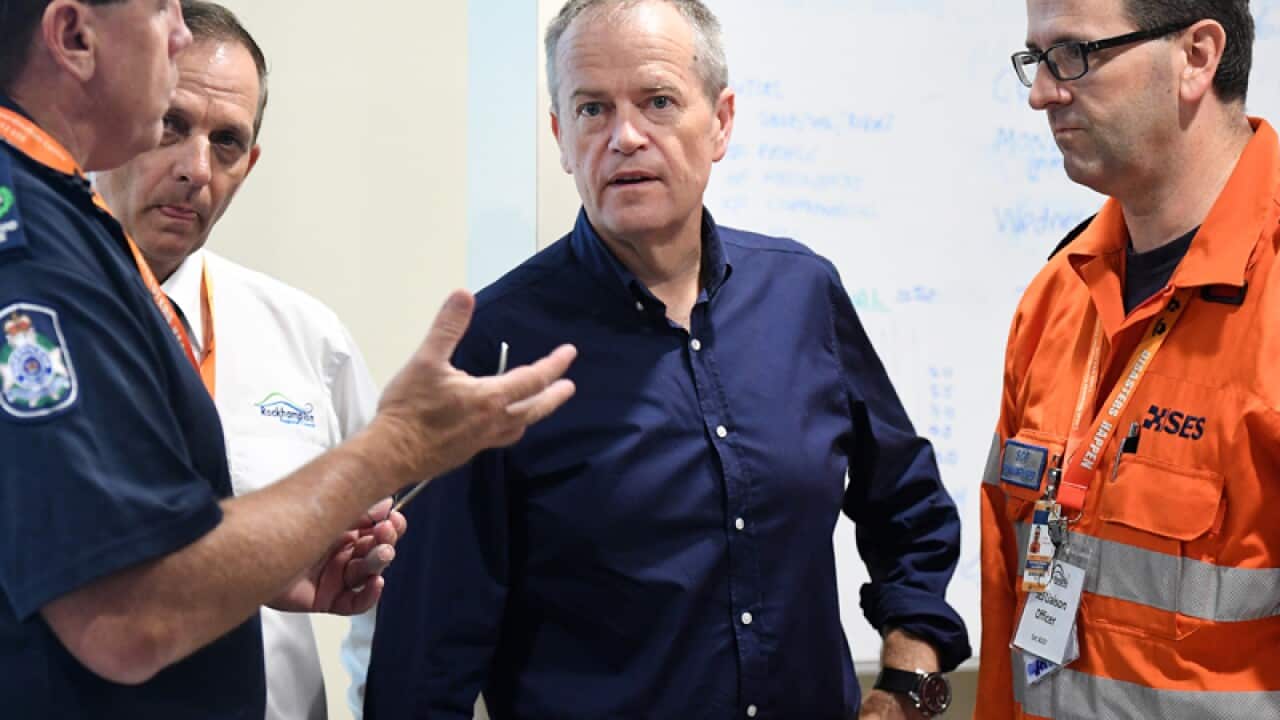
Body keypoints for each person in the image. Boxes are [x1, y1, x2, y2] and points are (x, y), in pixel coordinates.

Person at [362, 1, 970, 718]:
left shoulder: (802, 294)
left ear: (721, 121)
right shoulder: (498, 348)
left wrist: (908, 683)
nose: (624, 137)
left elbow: (909, 509)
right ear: (560, 137)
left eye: (657, 102)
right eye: (592, 109)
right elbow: (421, 666)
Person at [0, 0, 577, 717]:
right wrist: (393, 446)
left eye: (227, 142)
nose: (194, 168)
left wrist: (269, 560)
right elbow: (124, 619)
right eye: (161, 12)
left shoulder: (297, 331)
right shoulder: (40, 257)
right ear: (73, 35)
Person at [980, 0, 1280, 717]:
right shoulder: (1056, 296)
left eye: (1075, 55)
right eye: (1037, 58)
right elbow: (1004, 588)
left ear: (1198, 56)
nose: (1041, 92)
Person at [93, 3, 379, 718]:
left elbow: (381, 570)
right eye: (171, 125)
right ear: (114, 122)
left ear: (249, 165)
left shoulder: (310, 340)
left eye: (226, 143)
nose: (196, 168)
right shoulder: (30, 324)